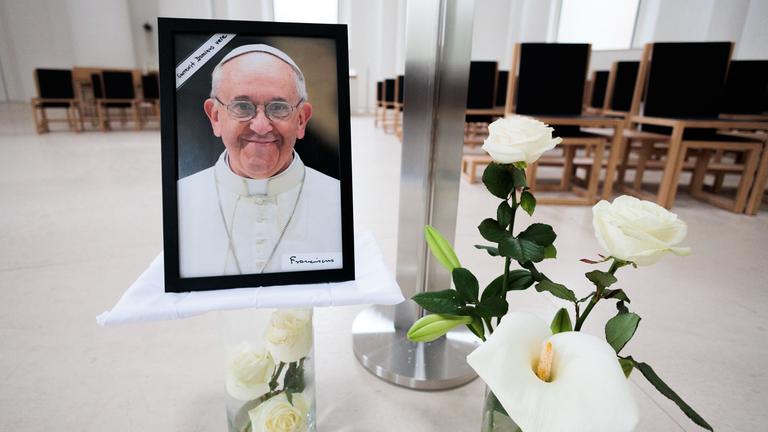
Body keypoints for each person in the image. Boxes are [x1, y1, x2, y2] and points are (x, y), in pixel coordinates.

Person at [177, 44, 343, 279]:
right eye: (242, 107)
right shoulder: (181, 199)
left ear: (301, 120)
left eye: (279, 108)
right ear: (215, 117)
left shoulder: (337, 198)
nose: (262, 126)